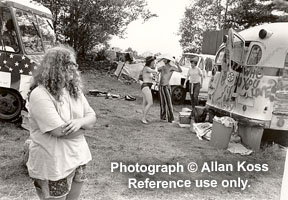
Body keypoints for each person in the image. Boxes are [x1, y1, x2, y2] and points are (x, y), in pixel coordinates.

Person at [27, 45, 96, 200]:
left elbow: (92, 117)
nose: (74, 68)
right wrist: (86, 127)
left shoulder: (73, 90)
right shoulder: (40, 94)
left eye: (74, 64)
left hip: (78, 155)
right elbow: (59, 132)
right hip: (53, 161)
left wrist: (80, 122)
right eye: (69, 64)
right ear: (55, 67)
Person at [158, 54, 182, 123]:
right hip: (161, 86)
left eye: (164, 59)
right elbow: (157, 69)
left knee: (168, 102)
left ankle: (171, 118)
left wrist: (177, 64)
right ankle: (163, 117)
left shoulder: (171, 67)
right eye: (163, 59)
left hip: (166, 86)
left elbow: (180, 70)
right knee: (162, 102)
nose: (163, 60)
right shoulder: (162, 67)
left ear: (167, 60)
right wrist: (159, 62)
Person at [141, 56, 157, 124]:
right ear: (150, 62)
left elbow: (151, 76)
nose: (154, 63)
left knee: (145, 103)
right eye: (153, 62)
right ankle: (143, 118)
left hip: (148, 86)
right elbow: (155, 71)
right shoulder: (146, 68)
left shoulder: (148, 68)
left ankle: (144, 117)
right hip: (145, 86)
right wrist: (156, 67)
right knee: (150, 103)